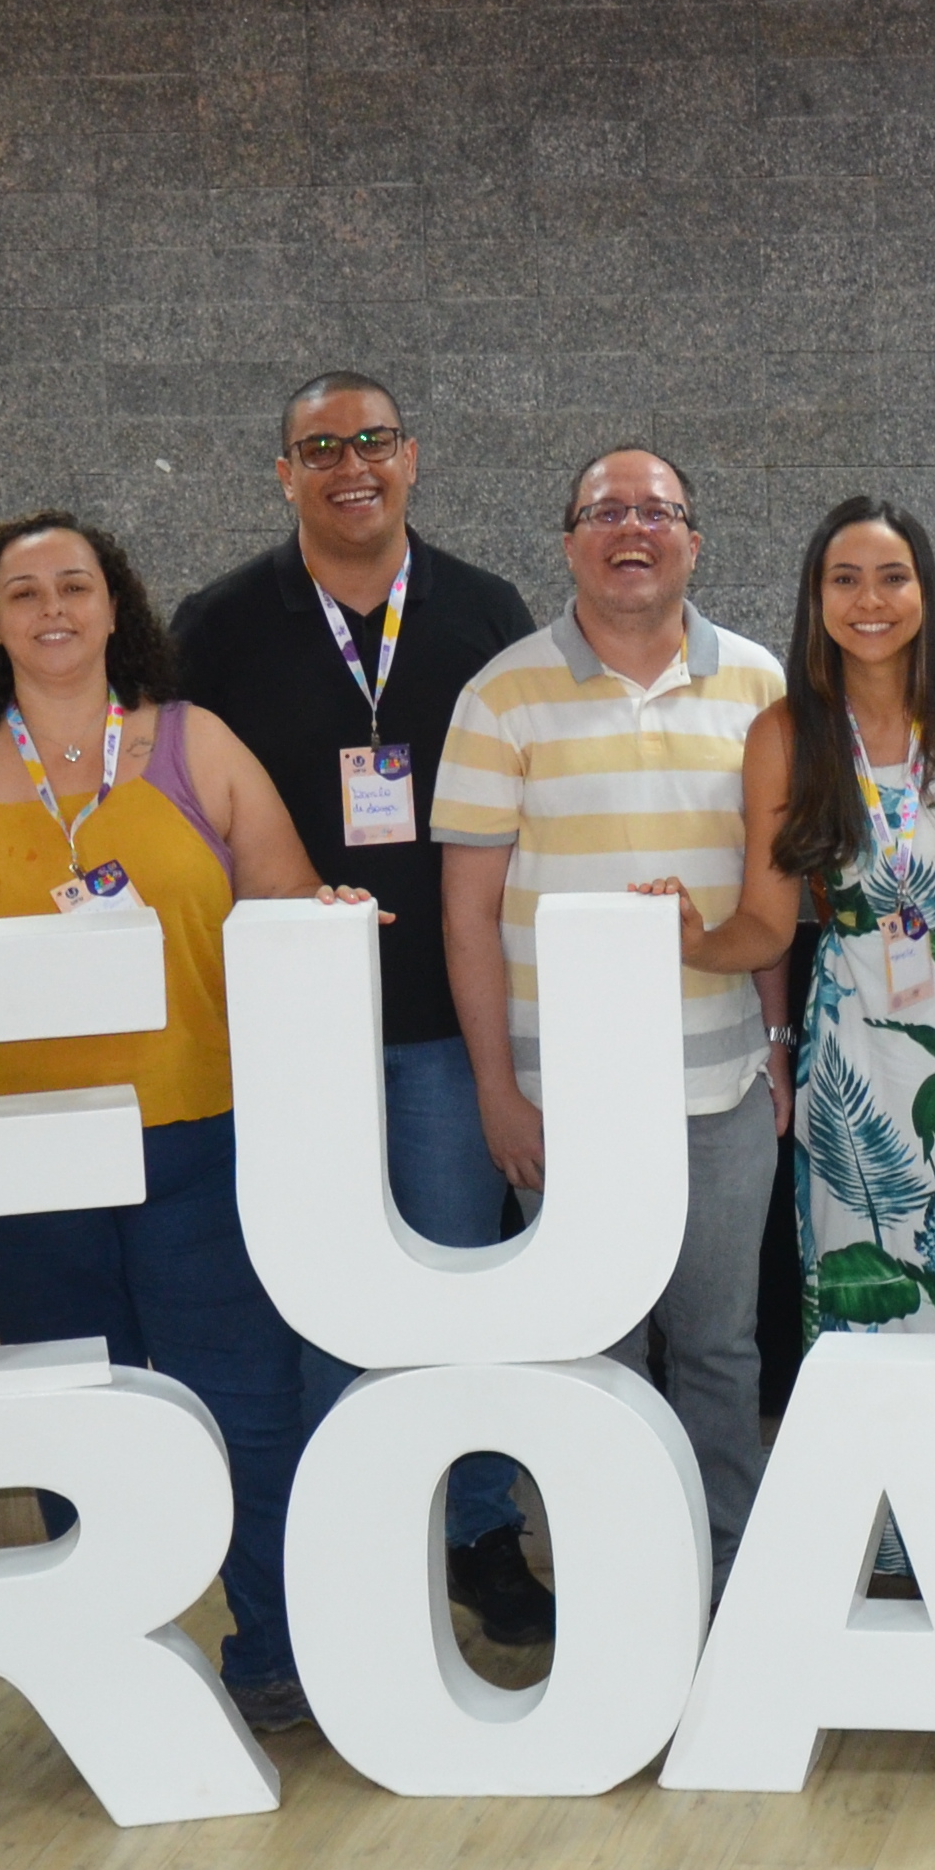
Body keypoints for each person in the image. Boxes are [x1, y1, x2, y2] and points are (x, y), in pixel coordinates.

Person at [0, 512, 345, 1731]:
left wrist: (327, 915)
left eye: (75, 584)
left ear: (116, 606)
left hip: (197, 1144)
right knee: (79, 1423)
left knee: (245, 1406)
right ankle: (115, 1661)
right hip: (15, 1170)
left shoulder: (195, 746)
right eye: (24, 592)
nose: (54, 607)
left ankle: (275, 1646)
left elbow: (284, 917)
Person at [170, 370, 554, 1649]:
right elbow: (182, 818)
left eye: (373, 442)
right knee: (322, 1299)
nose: (351, 464)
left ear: (411, 460)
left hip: (447, 1026)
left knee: (453, 1287)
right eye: (318, 447)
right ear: (283, 474)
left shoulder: (485, 613)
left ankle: (475, 1530)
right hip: (293, 1034)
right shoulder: (217, 627)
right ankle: (356, 1543)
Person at [646, 498, 935, 1549]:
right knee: (893, 1292)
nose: (869, 600)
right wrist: (687, 938)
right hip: (869, 1066)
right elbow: (765, 924)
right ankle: (908, 1541)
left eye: (890, 576)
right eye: (843, 579)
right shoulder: (784, 735)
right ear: (815, 599)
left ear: (924, 586)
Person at [431, 447, 791, 1580]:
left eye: (656, 511)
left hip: (723, 1080)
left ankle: (726, 1576)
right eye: (603, 512)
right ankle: (619, 1577)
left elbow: (770, 892)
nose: (630, 530)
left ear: (693, 536)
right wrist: (498, 1091)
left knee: (722, 1352)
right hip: (565, 1097)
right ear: (568, 540)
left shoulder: (761, 686)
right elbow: (468, 918)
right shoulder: (500, 694)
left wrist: (776, 1047)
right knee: (596, 1351)